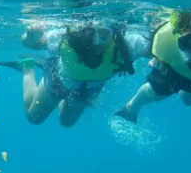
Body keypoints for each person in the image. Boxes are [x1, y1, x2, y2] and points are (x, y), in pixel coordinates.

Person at [18, 22, 151, 127]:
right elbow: (32, 44)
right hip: (58, 76)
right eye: (90, 35)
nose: (96, 41)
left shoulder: (128, 44)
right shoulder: (64, 37)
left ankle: (67, 95)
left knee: (67, 122)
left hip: (87, 89)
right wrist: (31, 37)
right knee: (34, 118)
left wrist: (160, 58)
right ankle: (27, 68)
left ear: (114, 32)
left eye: (104, 34)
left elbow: (155, 49)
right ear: (82, 31)